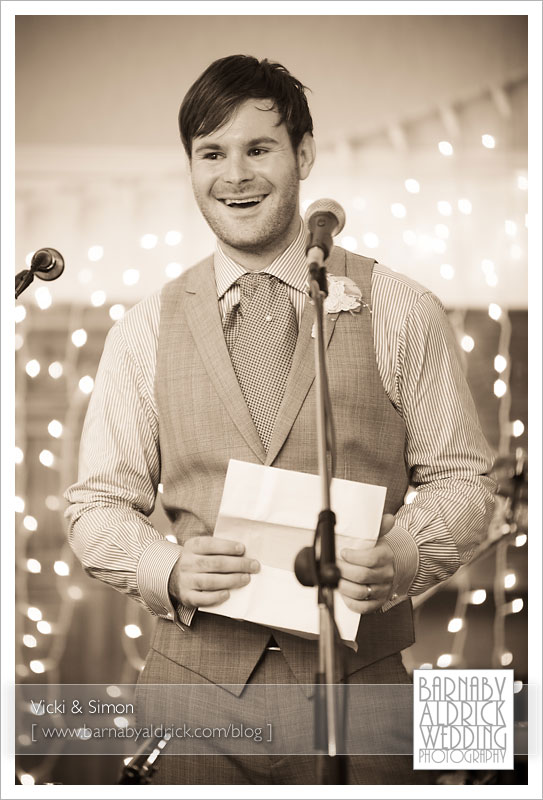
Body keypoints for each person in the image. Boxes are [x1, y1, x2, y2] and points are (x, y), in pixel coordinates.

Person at [65, 55, 496, 785]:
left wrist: (401, 556)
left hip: (364, 697)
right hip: (188, 702)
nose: (234, 174)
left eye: (258, 148)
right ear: (191, 167)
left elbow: (463, 483)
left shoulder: (400, 307)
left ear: (303, 154)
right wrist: (162, 566)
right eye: (211, 153)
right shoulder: (144, 329)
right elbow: (95, 505)